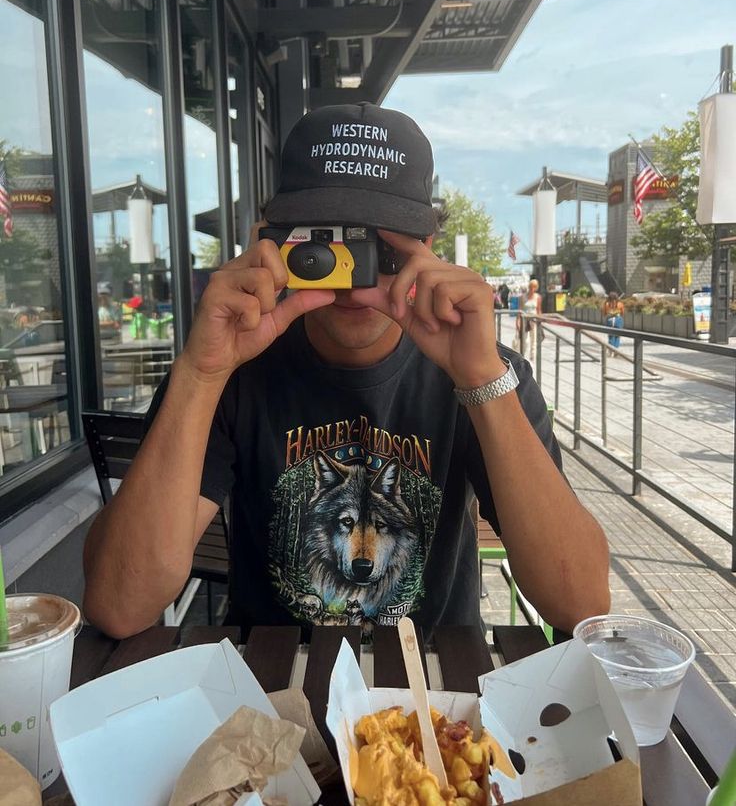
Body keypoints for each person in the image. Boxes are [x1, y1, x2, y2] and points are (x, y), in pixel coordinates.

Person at [82, 103, 609, 640]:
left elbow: (581, 603)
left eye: (383, 249)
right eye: (325, 246)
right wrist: (200, 374)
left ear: (429, 249)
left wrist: (482, 384)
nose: (355, 279)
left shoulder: (488, 375)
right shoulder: (230, 372)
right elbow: (120, 604)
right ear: (272, 243)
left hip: (433, 700)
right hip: (270, 692)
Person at [517, 279, 542, 358]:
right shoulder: (523, 297)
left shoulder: (538, 297)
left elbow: (538, 310)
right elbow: (519, 311)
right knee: (525, 340)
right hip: (525, 321)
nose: (532, 289)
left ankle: (533, 357)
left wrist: (540, 321)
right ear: (529, 287)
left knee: (534, 340)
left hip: (534, 321)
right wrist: (518, 322)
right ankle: (523, 356)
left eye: (534, 287)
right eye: (531, 287)